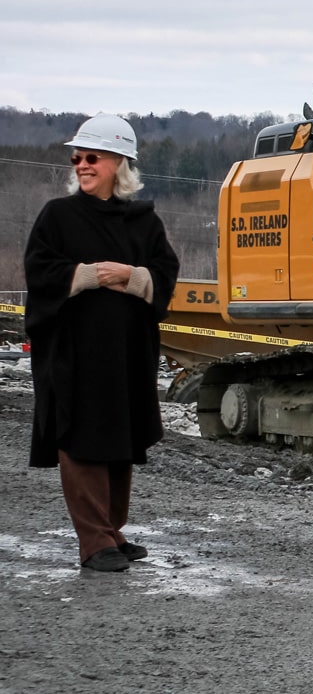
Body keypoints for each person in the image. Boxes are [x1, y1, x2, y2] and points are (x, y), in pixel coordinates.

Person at [24, 114, 180, 572]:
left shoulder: (143, 221)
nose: (81, 165)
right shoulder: (58, 216)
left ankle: (112, 531)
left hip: (127, 351)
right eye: (77, 158)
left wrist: (132, 277)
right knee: (81, 435)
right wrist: (89, 275)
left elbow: (165, 274)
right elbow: (40, 272)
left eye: (91, 157)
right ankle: (93, 543)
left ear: (118, 163)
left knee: (121, 435)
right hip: (72, 352)